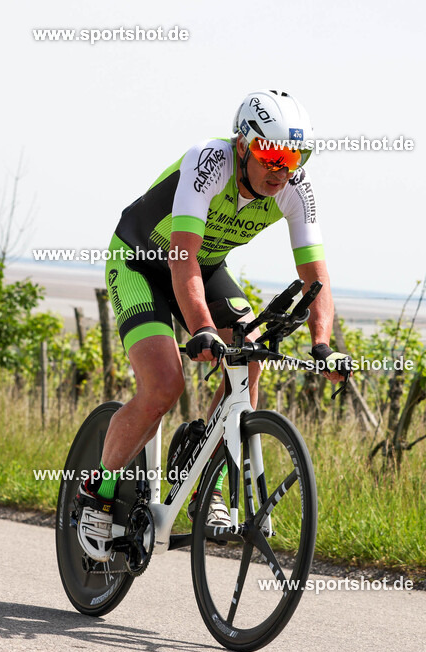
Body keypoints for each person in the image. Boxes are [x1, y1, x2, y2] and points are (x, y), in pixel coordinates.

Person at [77, 90, 353, 562]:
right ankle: (96, 491)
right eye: (271, 155)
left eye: (293, 158)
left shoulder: (295, 188)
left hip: (202, 270)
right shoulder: (207, 162)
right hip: (141, 262)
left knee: (250, 357)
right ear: (243, 145)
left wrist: (322, 344)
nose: (281, 169)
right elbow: (180, 256)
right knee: (164, 386)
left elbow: (316, 276)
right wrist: (203, 327)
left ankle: (211, 479)